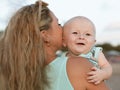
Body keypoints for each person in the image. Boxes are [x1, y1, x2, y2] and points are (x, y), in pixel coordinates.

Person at [0, 1, 109, 90]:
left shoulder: (14, 74)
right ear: (45, 36)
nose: (63, 29)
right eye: (58, 24)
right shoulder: (78, 65)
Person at [63, 16, 112, 85]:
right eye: (75, 33)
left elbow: (107, 67)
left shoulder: (95, 53)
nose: (81, 37)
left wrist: (103, 74)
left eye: (87, 34)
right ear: (64, 41)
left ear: (93, 42)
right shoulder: (62, 58)